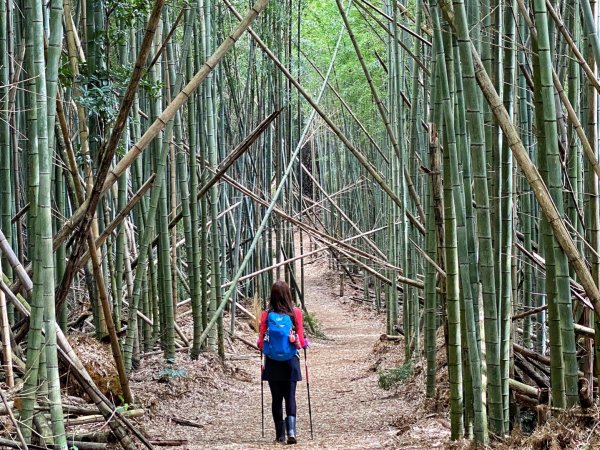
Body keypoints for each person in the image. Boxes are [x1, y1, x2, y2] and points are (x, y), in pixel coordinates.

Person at [257, 280, 308, 444]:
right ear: (288, 294)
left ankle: (280, 434)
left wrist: (263, 347)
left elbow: (260, 341)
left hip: (272, 361)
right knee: (290, 396)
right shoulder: (296, 313)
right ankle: (291, 430)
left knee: (276, 398)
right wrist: (304, 343)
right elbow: (300, 339)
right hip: (290, 361)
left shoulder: (266, 315)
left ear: (272, 296)